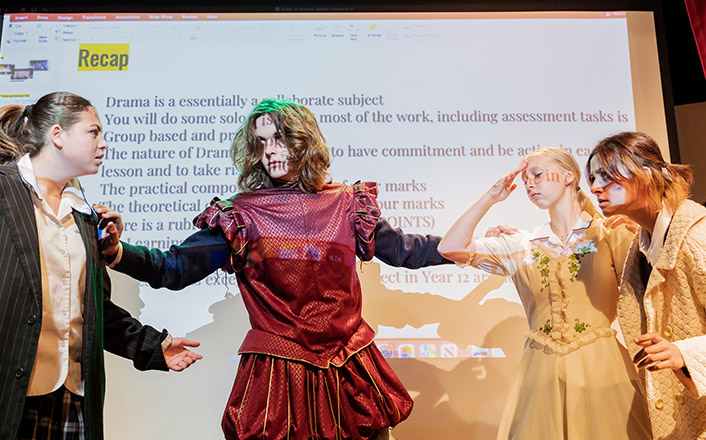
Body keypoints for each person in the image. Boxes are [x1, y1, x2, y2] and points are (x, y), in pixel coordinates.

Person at [100, 98, 450, 440]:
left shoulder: (346, 204)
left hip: (350, 373)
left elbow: (409, 250)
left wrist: (476, 249)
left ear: (304, 140)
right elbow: (171, 269)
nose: (270, 150)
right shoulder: (241, 216)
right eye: (262, 142)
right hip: (281, 383)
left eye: (279, 138)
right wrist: (116, 250)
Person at [0, 92, 202, 440]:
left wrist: (154, 346)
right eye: (93, 132)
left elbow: (94, 311)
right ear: (57, 135)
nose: (104, 143)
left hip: (73, 399)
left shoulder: (84, 216)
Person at [437, 148, 652, 439]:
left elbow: (650, 287)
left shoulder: (607, 233)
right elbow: (450, 247)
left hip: (602, 368)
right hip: (541, 372)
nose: (529, 184)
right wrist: (492, 196)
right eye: (525, 179)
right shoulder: (521, 244)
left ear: (569, 177)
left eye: (537, 175)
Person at [586, 131, 706, 439]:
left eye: (606, 176)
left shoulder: (698, 239)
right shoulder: (644, 244)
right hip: (683, 422)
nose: (595, 187)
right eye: (593, 178)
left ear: (645, 174)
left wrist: (684, 353)